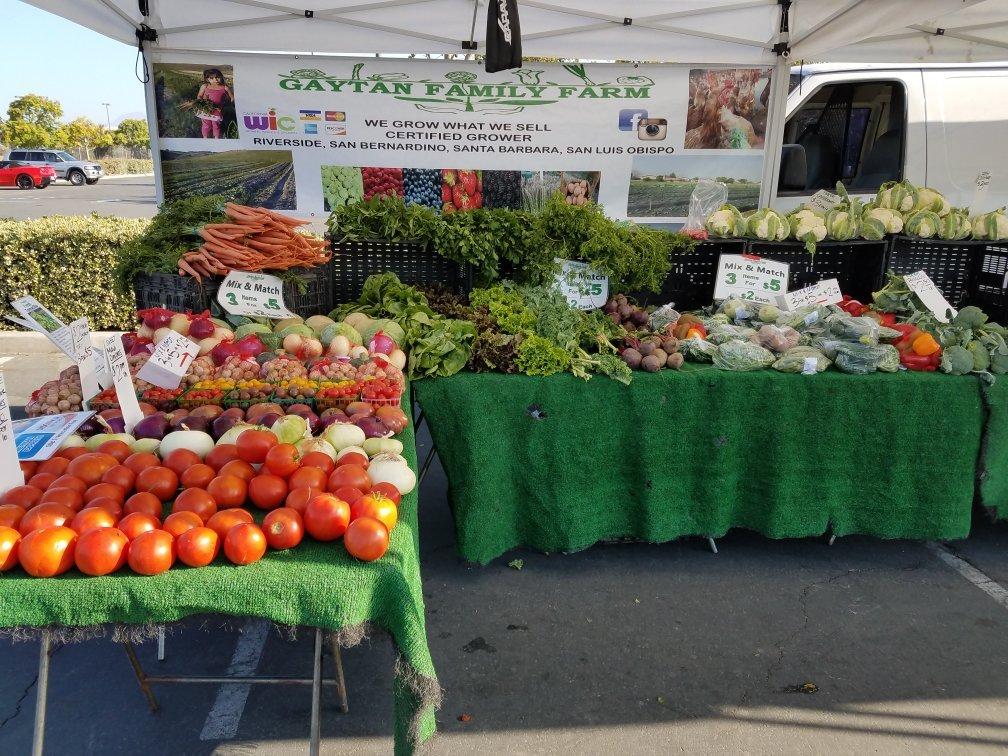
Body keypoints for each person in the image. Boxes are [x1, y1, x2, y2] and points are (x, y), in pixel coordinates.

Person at [193, 68, 232, 139]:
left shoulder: (225, 88)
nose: (215, 80)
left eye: (217, 77)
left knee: (216, 125)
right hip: (205, 109)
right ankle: (205, 137)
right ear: (207, 79)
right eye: (212, 78)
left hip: (217, 110)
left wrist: (226, 107)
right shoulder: (205, 86)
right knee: (206, 125)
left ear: (221, 77)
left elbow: (231, 98)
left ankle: (216, 138)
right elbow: (199, 95)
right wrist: (202, 103)